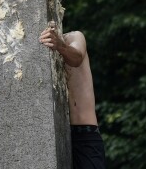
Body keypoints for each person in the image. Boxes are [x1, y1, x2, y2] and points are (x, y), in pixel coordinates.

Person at [39, 22, 106, 169]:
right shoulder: (37, 49)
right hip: (57, 137)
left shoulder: (74, 37)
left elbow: (76, 58)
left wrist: (60, 45)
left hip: (84, 135)